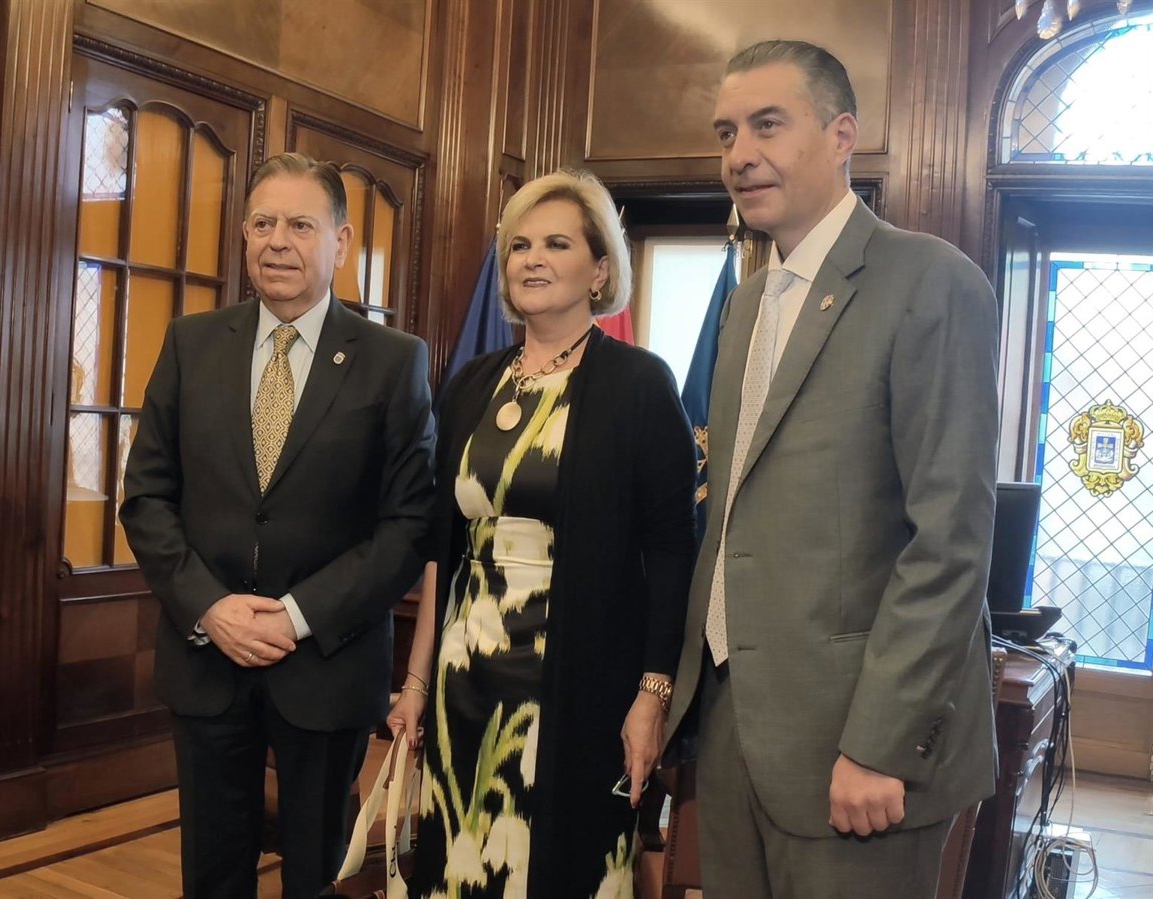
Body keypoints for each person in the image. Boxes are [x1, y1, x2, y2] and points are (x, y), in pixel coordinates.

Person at [665, 41, 999, 899]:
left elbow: (948, 543)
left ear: (842, 134)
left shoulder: (930, 282)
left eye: (768, 125)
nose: (740, 154)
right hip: (734, 730)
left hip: (857, 747)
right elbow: (732, 520)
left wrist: (881, 743)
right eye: (727, 133)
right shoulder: (747, 304)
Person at [120, 152, 435, 899]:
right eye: (262, 224)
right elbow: (147, 496)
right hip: (207, 659)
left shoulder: (394, 362)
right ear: (243, 235)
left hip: (326, 664)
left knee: (317, 875)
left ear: (341, 242)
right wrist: (210, 607)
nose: (277, 242)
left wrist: (294, 616)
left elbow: (408, 525)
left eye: (300, 225)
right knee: (212, 871)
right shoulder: (192, 343)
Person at [387, 169, 697, 898]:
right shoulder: (472, 383)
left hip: (581, 689)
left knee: (564, 869)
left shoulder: (640, 385)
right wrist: (416, 681)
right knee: (461, 868)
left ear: (600, 269)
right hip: (466, 680)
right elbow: (443, 550)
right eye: (519, 245)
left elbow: (670, 556)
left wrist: (653, 695)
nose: (532, 258)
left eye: (557, 244)